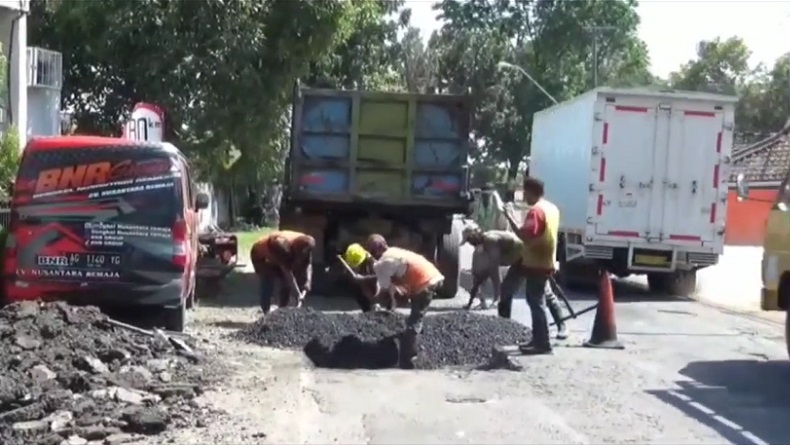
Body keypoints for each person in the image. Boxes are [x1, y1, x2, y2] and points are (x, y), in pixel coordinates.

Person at [462, 224, 569, 339]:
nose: (470, 244)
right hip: (519, 261)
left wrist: (496, 297)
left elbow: (494, 270)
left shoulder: (490, 240)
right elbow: (485, 271)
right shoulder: (487, 241)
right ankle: (504, 327)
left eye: (469, 240)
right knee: (506, 292)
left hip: (529, 258)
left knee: (545, 293)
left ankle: (562, 326)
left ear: (474, 236)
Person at [501, 176, 562, 355]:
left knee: (536, 302)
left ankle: (542, 343)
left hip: (536, 262)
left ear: (531, 192)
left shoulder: (536, 212)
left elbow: (524, 235)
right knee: (538, 300)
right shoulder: (552, 208)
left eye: (525, 192)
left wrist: (509, 216)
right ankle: (539, 340)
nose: (524, 196)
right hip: (546, 260)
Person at [249, 230, 315, 314]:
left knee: (285, 283)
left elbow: (308, 264)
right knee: (267, 279)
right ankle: (266, 310)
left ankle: (282, 310)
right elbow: (287, 272)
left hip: (278, 255)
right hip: (261, 256)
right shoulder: (281, 244)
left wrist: (307, 284)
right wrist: (297, 293)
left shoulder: (307, 243)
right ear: (295, 248)